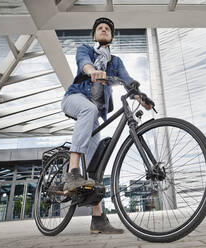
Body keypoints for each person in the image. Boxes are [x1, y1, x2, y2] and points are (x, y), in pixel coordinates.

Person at [59, 17, 151, 234]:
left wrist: (141, 99)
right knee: (88, 110)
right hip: (75, 99)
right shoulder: (85, 49)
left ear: (111, 37)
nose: (103, 29)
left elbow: (127, 80)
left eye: (107, 29)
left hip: (94, 117)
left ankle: (98, 219)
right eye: (100, 28)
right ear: (94, 35)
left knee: (94, 168)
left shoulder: (115, 62)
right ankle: (72, 172)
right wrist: (92, 71)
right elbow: (84, 63)